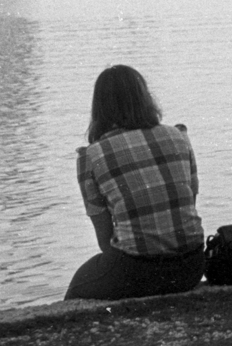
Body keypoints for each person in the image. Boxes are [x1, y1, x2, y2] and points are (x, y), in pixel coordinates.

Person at [66, 65, 206, 300]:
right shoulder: (179, 137)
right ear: (145, 98)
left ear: (99, 107)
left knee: (78, 289)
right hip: (191, 266)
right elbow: (188, 203)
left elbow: (105, 241)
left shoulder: (91, 157)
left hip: (137, 271)